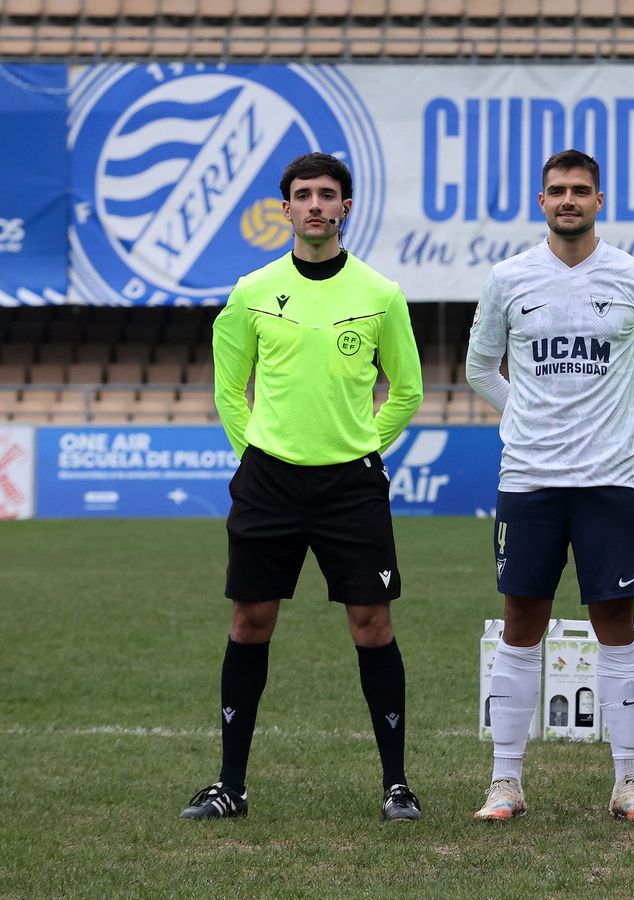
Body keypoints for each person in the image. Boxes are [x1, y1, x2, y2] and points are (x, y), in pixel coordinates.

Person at [182, 152, 424, 821]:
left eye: (327, 195)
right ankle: (231, 786)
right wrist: (253, 454)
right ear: (284, 208)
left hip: (351, 485)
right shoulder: (251, 290)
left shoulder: (380, 294)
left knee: (372, 624)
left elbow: (407, 391)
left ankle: (396, 786)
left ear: (346, 207)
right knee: (249, 621)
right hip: (269, 482)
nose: (315, 205)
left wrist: (363, 448)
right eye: (302, 195)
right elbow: (229, 389)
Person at [466, 149, 634, 824]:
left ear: (599, 200)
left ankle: (630, 784)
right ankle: (505, 782)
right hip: (529, 479)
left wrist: (617, 427)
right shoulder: (508, 280)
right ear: (542, 201)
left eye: (580, 190)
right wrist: (529, 422)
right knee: (521, 623)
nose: (569, 200)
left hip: (607, 481)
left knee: (615, 626)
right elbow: (480, 370)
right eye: (558, 190)